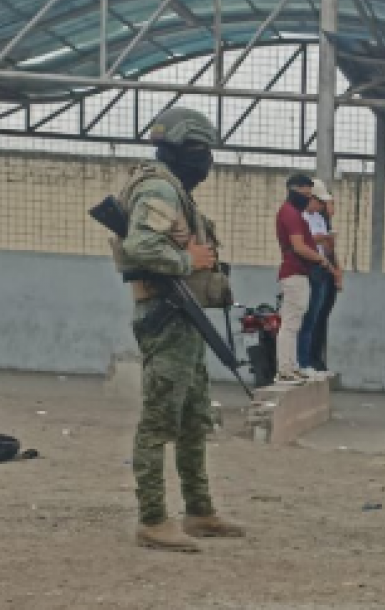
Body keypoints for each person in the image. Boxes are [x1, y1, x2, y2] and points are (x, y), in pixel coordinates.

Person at [114, 107, 245, 552]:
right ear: (184, 148)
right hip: (166, 316)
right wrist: (193, 262)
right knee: (159, 421)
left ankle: (199, 509)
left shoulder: (170, 188)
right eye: (202, 150)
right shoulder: (158, 188)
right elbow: (141, 245)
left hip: (182, 317)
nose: (206, 160)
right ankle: (152, 519)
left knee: (193, 418)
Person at [275, 174, 331, 383]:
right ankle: (286, 367)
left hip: (298, 272)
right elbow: (299, 246)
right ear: (292, 189)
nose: (307, 197)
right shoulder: (291, 214)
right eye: (304, 193)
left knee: (295, 321)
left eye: (309, 194)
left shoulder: (293, 213)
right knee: (291, 322)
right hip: (294, 272)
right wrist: (320, 259)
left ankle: (291, 365)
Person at [299, 180, 342, 374]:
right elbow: (304, 240)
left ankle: (314, 360)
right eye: (322, 202)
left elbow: (326, 247)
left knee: (319, 317)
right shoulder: (301, 216)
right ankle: (304, 361)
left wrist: (335, 270)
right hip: (310, 268)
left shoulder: (319, 218)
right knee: (309, 319)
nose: (324, 206)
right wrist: (324, 239)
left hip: (323, 267)